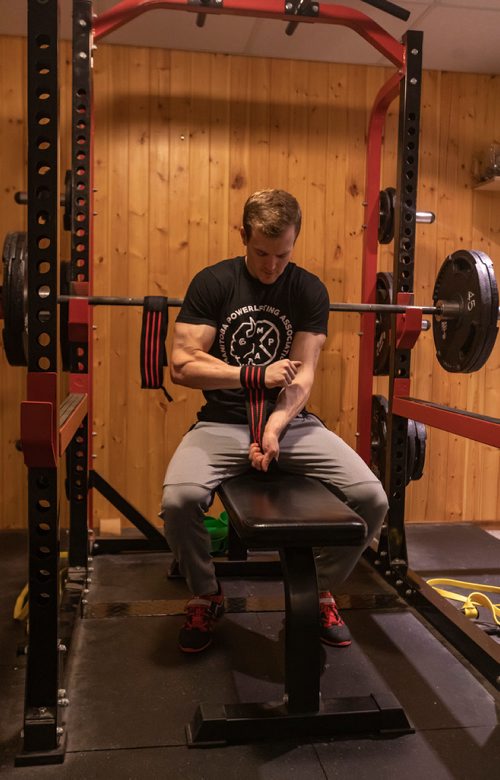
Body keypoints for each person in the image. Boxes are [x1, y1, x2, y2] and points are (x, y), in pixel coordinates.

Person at [161, 189, 388, 654]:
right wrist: (250, 373)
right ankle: (206, 593)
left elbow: (303, 375)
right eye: (261, 253)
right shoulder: (214, 283)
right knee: (179, 501)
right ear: (244, 235)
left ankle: (315, 590)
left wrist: (274, 426)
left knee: (372, 498)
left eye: (282, 254)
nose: (271, 266)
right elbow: (181, 365)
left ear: (295, 240)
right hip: (221, 422)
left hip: (293, 422)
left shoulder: (307, 289)